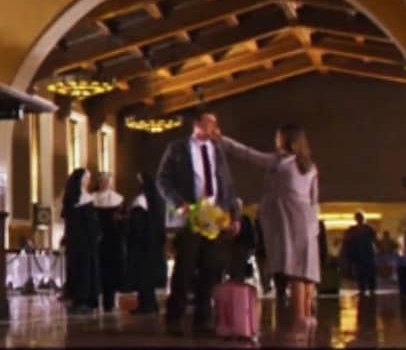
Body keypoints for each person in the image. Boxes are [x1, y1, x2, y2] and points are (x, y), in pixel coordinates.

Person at [216, 124, 320, 336]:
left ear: (286, 140)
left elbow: (247, 154)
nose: (276, 140)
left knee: (296, 272)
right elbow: (314, 200)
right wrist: (315, 226)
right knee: (307, 270)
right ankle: (309, 316)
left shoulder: (280, 162)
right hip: (307, 219)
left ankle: (299, 318)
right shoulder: (310, 166)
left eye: (278, 137)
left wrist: (222, 139)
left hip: (289, 217)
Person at [157, 108, 241, 334]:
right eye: (209, 122)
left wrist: (234, 215)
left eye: (215, 123)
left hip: (216, 216)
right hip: (190, 215)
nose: (213, 127)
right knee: (184, 268)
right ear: (196, 123)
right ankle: (174, 318)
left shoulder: (218, 150)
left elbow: (229, 185)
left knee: (211, 270)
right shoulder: (177, 148)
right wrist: (178, 203)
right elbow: (162, 180)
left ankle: (203, 320)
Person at [125, 172, 167, 315]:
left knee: (143, 276)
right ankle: (150, 304)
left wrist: (126, 223)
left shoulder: (141, 201)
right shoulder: (154, 201)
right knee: (147, 277)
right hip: (152, 245)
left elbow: (137, 225)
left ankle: (146, 306)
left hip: (142, 245)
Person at [62, 168, 101, 314]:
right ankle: (81, 299)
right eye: (87, 178)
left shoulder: (73, 198)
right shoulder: (81, 199)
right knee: (82, 270)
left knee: (82, 270)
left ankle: (82, 299)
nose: (88, 181)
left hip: (79, 242)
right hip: (83, 242)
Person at [92, 172, 125, 313]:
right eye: (102, 181)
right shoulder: (91, 198)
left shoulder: (118, 199)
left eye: (106, 181)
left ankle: (109, 301)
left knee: (111, 271)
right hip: (97, 240)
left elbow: (123, 220)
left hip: (113, 240)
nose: (104, 183)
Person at [342, 211, 377, 296]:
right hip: (360, 254)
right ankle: (364, 289)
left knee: (369, 272)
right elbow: (347, 240)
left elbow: (374, 239)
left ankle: (370, 289)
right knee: (361, 273)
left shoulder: (367, 229)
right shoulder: (355, 229)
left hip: (367, 253)